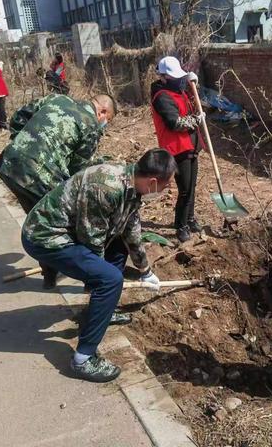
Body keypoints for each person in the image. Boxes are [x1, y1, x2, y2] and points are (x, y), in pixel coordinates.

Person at [21, 149, 174, 382]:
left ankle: (101, 310)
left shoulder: (132, 185)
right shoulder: (106, 187)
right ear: (153, 181)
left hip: (72, 231)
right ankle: (83, 358)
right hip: (45, 237)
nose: (165, 192)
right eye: (165, 187)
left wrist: (145, 271)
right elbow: (92, 240)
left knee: (119, 249)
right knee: (111, 279)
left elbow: (130, 229)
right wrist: (101, 279)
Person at [0, 93, 116, 288]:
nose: (104, 124)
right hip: (40, 177)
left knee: (39, 219)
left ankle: (49, 276)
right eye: (107, 120)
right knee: (62, 225)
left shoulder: (56, 98)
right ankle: (92, 280)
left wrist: (23, 141)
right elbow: (78, 170)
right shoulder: (91, 124)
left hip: (10, 164)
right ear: (102, 111)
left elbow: (18, 116)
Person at [151, 56, 204, 243]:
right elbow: (174, 122)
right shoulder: (161, 96)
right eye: (173, 77)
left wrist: (192, 83)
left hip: (190, 144)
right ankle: (180, 226)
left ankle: (189, 219)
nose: (177, 80)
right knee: (185, 189)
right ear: (163, 77)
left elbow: (189, 100)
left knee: (192, 187)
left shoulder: (176, 89)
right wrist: (196, 120)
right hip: (177, 148)